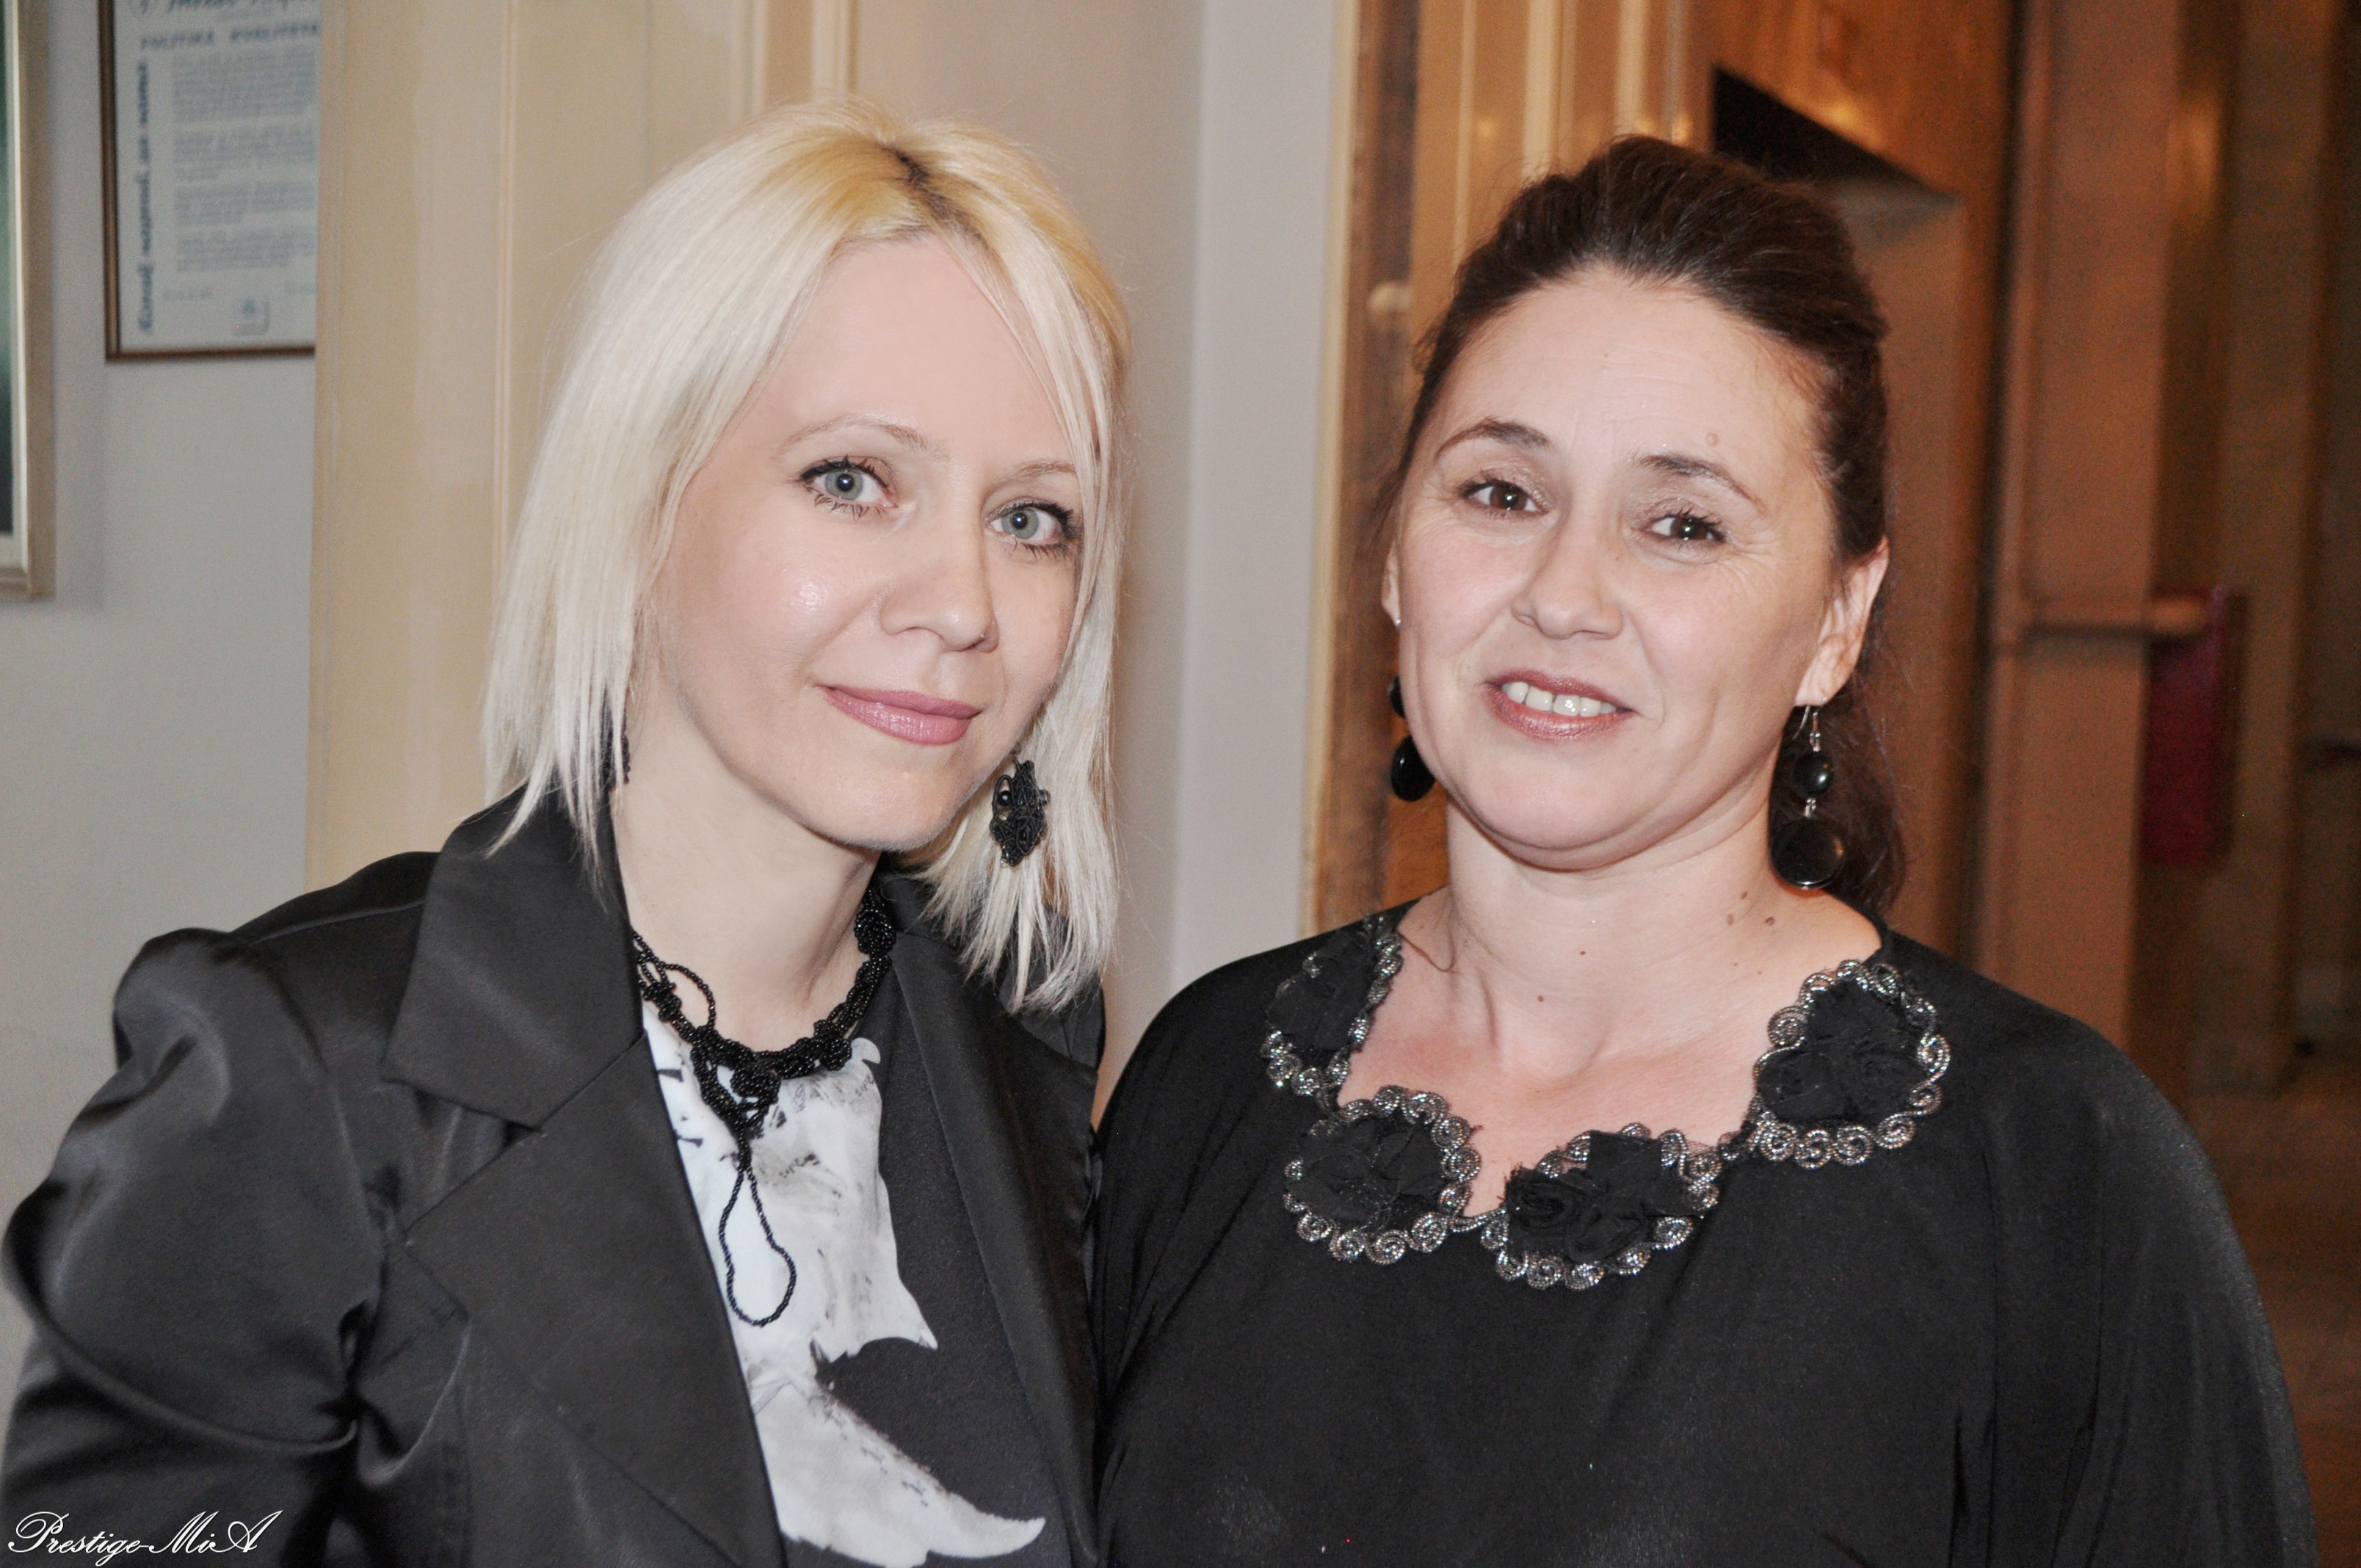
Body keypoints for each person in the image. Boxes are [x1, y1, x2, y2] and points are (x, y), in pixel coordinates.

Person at [1094, 137, 2315, 1566]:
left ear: (1839, 620)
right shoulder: (1208, 1077)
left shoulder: (2053, 1173)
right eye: (1500, 493)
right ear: (1393, 556)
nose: (1566, 593)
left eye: (1683, 523)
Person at [4, 100, 1125, 1567]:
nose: (963, 604)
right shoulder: (300, 1071)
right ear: (643, 501)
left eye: (1032, 519)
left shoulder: (1019, 1021)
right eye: (852, 482)